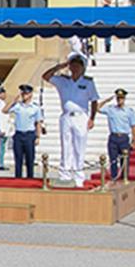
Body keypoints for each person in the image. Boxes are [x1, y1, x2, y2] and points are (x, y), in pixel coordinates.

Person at [42, 52, 100, 185]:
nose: (75, 68)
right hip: (66, 116)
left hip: (81, 116)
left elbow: (94, 100)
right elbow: (45, 76)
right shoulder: (63, 80)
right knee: (66, 145)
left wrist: (92, 118)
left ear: (83, 68)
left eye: (78, 66)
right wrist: (59, 67)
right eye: (73, 65)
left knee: (79, 146)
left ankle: (79, 175)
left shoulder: (88, 82)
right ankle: (65, 174)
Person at [99, 88, 135, 181]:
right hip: (113, 136)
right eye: (118, 98)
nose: (119, 100)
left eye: (121, 98)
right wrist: (106, 101)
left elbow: (133, 126)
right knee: (113, 160)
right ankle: (114, 178)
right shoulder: (111, 109)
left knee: (124, 160)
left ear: (124, 99)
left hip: (124, 137)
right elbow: (97, 108)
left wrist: (134, 140)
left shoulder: (129, 111)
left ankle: (124, 178)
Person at [4, 84, 43, 179]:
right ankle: (18, 179)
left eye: (26, 93)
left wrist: (38, 137)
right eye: (23, 93)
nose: (24, 95)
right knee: (18, 160)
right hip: (18, 134)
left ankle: (30, 178)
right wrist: (13, 101)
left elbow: (38, 123)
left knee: (30, 160)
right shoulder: (17, 106)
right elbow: (5, 110)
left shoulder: (35, 107)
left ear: (30, 94)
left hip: (29, 134)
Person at [0, 86, 12, 170]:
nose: (4, 94)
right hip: (0, 130)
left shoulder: (3, 104)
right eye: (3, 93)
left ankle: (1, 163)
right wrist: (1, 129)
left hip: (5, 129)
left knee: (3, 148)